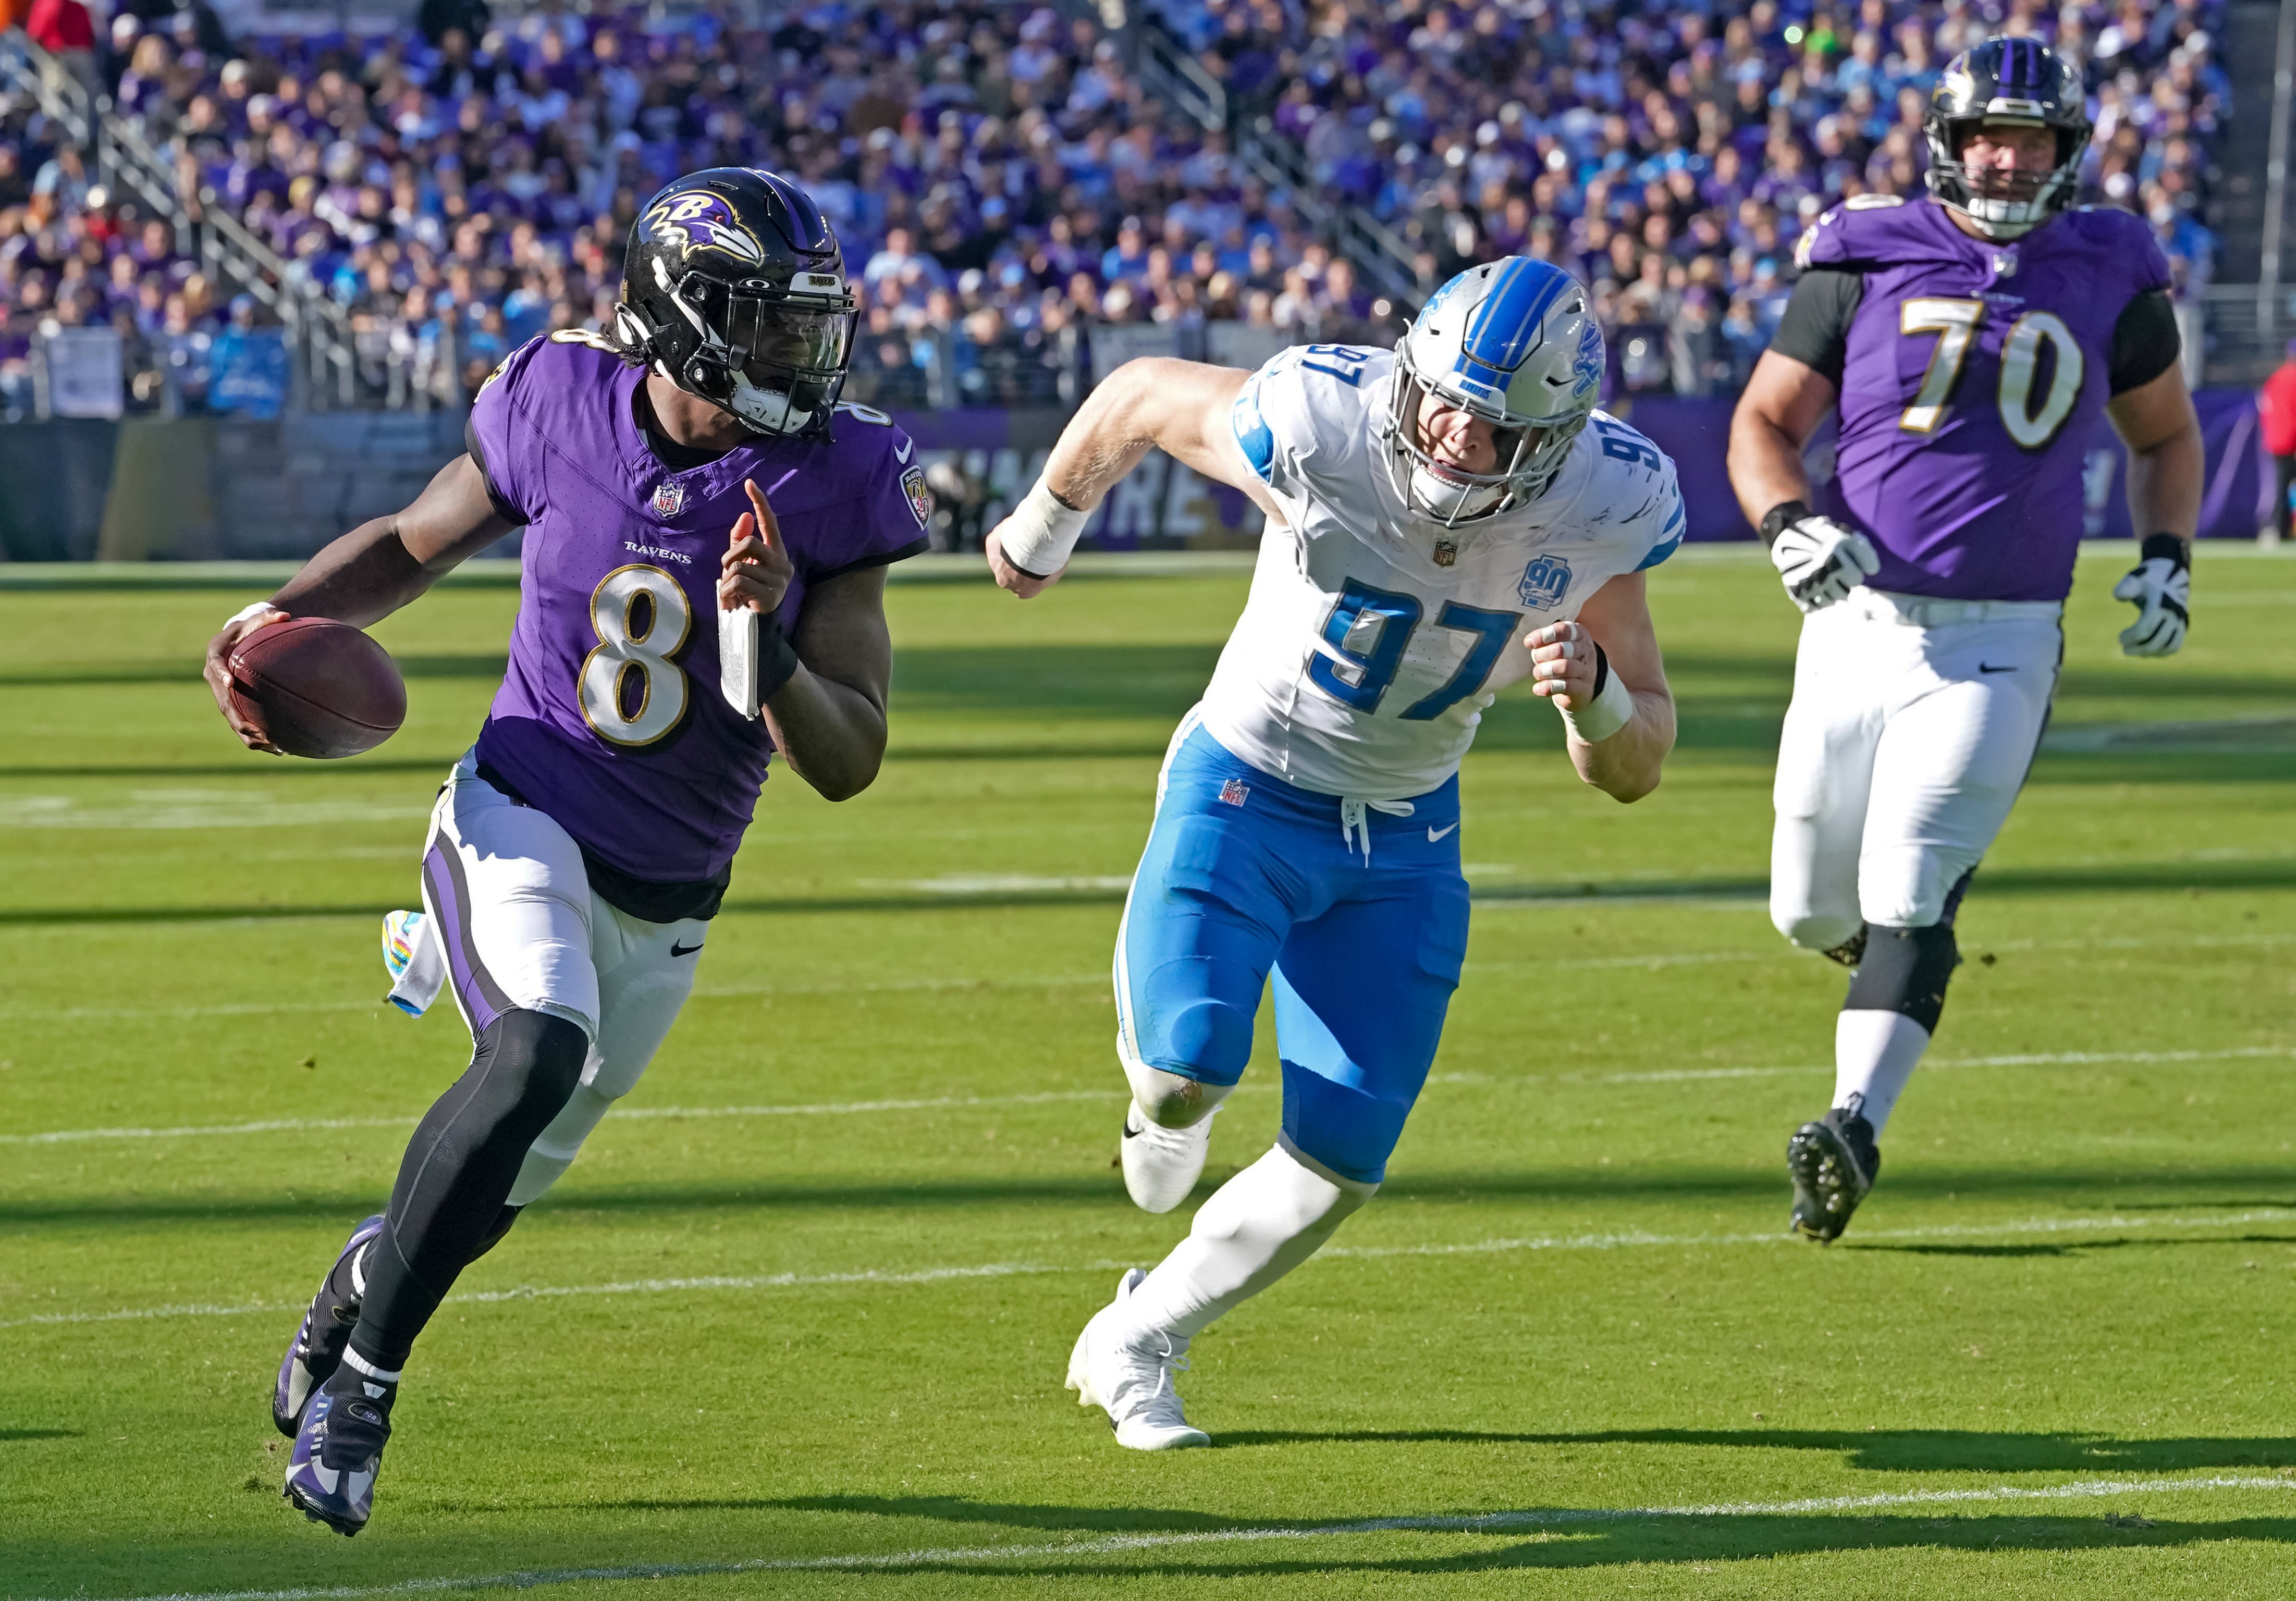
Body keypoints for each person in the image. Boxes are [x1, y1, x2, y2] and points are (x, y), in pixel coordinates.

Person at [201, 168, 931, 1534]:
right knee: (529, 1047)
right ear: (682, 317)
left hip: (668, 906)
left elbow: (848, 758)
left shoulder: (834, 478)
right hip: (517, 810)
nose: (799, 352)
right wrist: (271, 620)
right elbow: (414, 547)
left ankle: (364, 1283)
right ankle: (364, 1392)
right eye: (768, 323)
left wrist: (767, 645)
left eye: (804, 322)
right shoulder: (559, 397)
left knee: (476, 1204)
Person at [984, 257, 1685, 1449]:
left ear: (1557, 434)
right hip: (1246, 788)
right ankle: (1161, 1107)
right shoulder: (1322, 419)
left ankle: (1137, 1337)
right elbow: (1145, 389)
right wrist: (1039, 530)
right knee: (1185, 1062)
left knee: (1340, 1161)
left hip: (1405, 840)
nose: (1456, 435)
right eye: (1443, 399)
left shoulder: (1604, 504)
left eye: (1494, 421)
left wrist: (1598, 700)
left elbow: (1638, 763)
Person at [1725, 39, 2205, 1243]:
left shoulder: (2107, 263)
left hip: (2002, 637)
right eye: (1992, 134)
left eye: (2033, 138)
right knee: (1804, 907)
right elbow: (1762, 423)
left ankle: (1851, 1121)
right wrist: (1788, 521)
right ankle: (1906, 964)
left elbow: (2166, 437)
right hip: (1852, 623)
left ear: (2066, 150)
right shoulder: (1865, 248)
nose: (2009, 156)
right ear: (1949, 138)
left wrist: (2167, 555)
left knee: (1907, 879)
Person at [2259, 339, 2296, 544]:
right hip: (2290, 443)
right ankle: (2281, 531)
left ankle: (2279, 531)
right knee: (2282, 491)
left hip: (2276, 443)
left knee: (2280, 491)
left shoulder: (2276, 378)